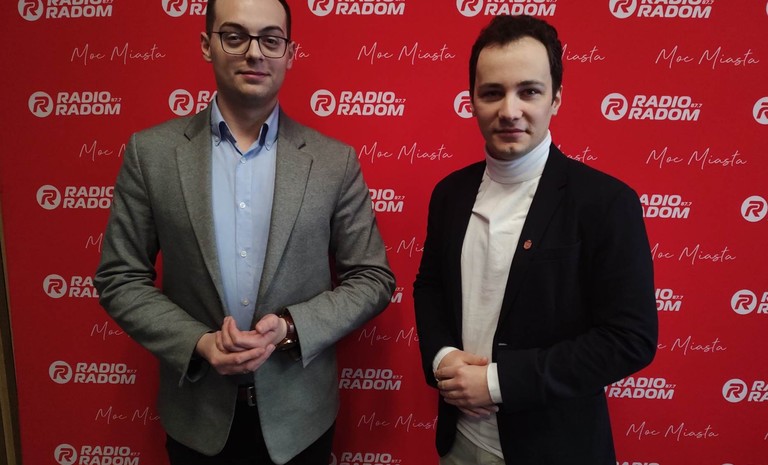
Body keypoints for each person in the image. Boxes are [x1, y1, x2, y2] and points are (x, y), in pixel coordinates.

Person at [94, 0, 395, 463]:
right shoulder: (150, 154)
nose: (254, 52)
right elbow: (119, 278)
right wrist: (199, 342)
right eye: (235, 37)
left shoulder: (334, 162)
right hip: (196, 418)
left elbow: (373, 279)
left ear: (289, 53)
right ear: (206, 45)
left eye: (271, 40)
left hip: (301, 421)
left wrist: (291, 327)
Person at [413, 15, 657, 465]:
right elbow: (430, 287)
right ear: (472, 100)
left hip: (556, 448)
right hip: (458, 442)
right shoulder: (449, 193)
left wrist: (498, 383)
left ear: (556, 98)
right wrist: (442, 357)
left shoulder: (606, 201)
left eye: (529, 91)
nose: (509, 110)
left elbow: (630, 339)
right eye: (492, 92)